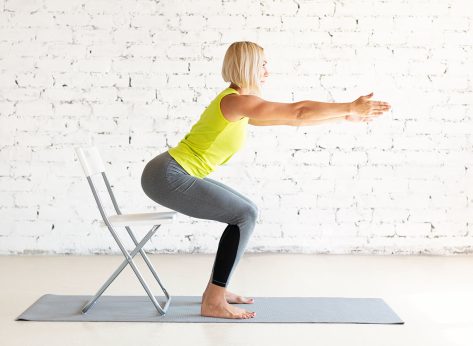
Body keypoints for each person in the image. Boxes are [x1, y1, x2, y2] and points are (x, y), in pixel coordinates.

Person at [140, 41, 391, 320]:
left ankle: (216, 291)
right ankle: (213, 300)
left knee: (247, 211)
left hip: (171, 171)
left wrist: (346, 115)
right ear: (247, 66)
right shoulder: (236, 101)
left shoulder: (240, 104)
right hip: (167, 175)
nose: (267, 71)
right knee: (244, 214)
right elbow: (298, 111)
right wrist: (349, 105)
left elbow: (294, 120)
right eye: (262, 64)